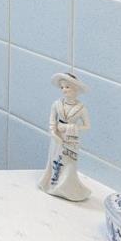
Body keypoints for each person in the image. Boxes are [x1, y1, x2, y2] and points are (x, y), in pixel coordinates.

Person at [39, 71, 90, 201]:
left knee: (68, 163)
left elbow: (87, 126)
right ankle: (52, 182)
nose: (64, 90)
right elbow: (52, 121)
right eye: (62, 87)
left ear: (75, 89)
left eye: (67, 87)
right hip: (58, 137)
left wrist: (69, 127)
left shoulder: (81, 108)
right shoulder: (57, 104)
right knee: (55, 159)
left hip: (70, 140)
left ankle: (67, 187)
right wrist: (53, 132)